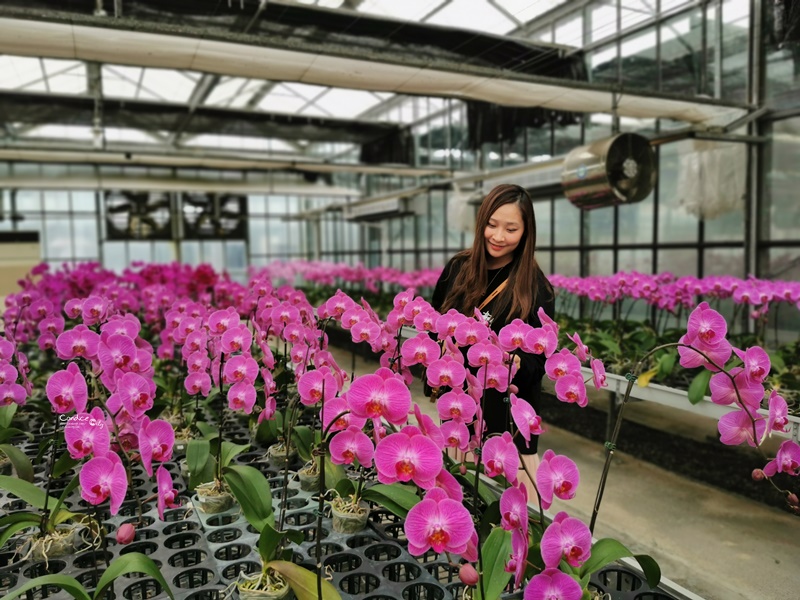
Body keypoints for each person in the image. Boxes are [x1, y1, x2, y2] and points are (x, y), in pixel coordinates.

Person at [430, 183, 555, 501]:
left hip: (509, 417)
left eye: (511, 228)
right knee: (460, 502)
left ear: (526, 232)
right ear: (481, 222)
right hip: (461, 410)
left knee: (517, 510)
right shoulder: (458, 270)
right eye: (492, 224)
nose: (499, 236)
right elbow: (433, 326)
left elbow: (542, 360)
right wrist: (442, 347)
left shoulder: (535, 287)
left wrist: (515, 361)